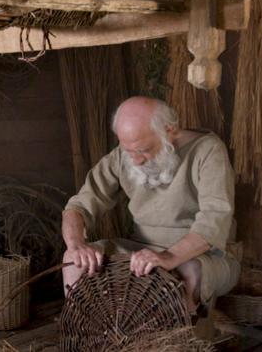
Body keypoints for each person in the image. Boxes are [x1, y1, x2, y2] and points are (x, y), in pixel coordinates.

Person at [61, 96, 240, 314]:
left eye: (143, 150)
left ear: (170, 130)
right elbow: (78, 207)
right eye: (128, 150)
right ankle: (83, 329)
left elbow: (214, 220)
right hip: (139, 249)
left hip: (201, 255)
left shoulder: (208, 150)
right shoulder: (124, 155)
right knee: (73, 261)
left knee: (187, 271)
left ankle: (175, 341)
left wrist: (168, 257)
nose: (135, 160)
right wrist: (76, 244)